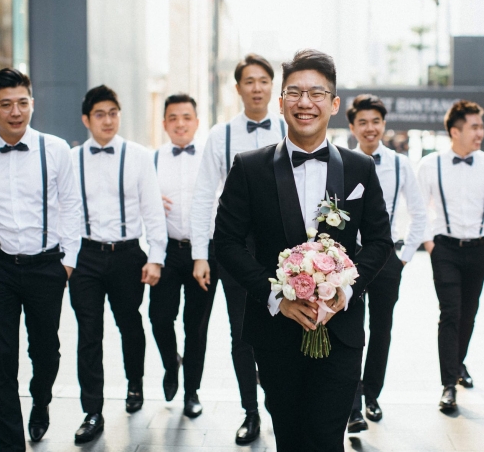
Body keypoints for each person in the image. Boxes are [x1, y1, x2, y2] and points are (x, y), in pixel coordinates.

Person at [214, 49, 394, 451]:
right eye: (294, 93)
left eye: (316, 93)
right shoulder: (249, 167)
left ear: (333, 103)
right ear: (281, 103)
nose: (304, 103)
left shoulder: (359, 168)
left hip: (341, 328)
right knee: (291, 437)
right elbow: (225, 242)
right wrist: (277, 295)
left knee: (327, 436)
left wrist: (344, 292)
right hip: (276, 332)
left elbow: (380, 241)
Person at [0, 68, 83, 452]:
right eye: (6, 105)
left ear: (32, 103)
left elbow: (71, 207)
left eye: (23, 103)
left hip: (47, 266)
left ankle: (40, 399)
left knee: (46, 352)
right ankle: (9, 443)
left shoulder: (56, 149)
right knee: (1, 358)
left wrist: (67, 264)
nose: (16, 112)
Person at [190, 53, 285, 444]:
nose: (257, 87)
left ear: (272, 86)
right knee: (242, 333)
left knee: (283, 330)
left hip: (283, 246)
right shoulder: (221, 135)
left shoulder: (290, 127)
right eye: (250, 81)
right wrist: (200, 253)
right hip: (235, 248)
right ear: (238, 88)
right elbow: (202, 195)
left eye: (264, 80)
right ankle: (251, 412)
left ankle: (282, 407)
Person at [68, 85, 167, 443]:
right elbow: (66, 211)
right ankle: (92, 411)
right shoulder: (72, 158)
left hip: (127, 255)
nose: (107, 120)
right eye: (99, 114)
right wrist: (67, 261)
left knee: (130, 324)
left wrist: (156, 258)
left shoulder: (139, 156)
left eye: (113, 112)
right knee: (89, 332)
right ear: (86, 119)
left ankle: (135, 383)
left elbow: (153, 210)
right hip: (85, 257)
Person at [416, 100, 484, 412]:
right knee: (451, 313)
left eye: (481, 126)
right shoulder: (430, 165)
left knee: (469, 313)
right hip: (445, 249)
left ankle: (458, 363)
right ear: (455, 131)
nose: (480, 132)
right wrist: (429, 243)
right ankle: (448, 383)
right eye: (474, 127)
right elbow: (419, 208)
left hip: (480, 250)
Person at [345, 94, 427, 432]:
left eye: (375, 121)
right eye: (362, 122)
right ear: (352, 127)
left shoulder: (399, 163)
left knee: (381, 329)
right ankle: (351, 405)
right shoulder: (341, 160)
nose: (369, 128)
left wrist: (403, 257)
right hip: (348, 260)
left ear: (383, 125)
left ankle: (372, 394)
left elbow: (419, 214)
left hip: (387, 259)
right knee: (350, 331)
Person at [150, 94, 218, 417]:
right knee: (159, 317)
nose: (180, 124)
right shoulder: (151, 161)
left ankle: (192, 391)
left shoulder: (211, 158)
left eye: (186, 117)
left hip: (205, 252)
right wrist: (148, 205)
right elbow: (139, 208)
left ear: (196, 121)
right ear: (164, 123)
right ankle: (170, 362)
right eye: (173, 118)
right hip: (166, 252)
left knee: (197, 325)